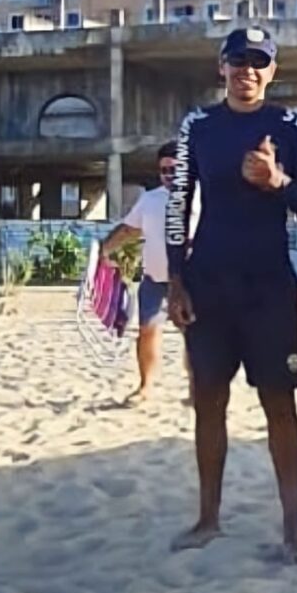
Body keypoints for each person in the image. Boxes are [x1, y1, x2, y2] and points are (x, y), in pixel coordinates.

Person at [165, 26, 297, 560]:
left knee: (279, 403)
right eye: (239, 61)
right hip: (208, 283)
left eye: (259, 62)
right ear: (222, 67)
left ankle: (294, 527)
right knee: (209, 403)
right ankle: (208, 518)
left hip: (269, 288)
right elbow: (177, 204)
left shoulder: (290, 125)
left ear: (272, 72)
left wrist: (276, 181)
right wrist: (175, 280)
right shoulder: (199, 126)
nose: (247, 71)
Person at [100, 140, 193, 405]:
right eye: (164, 170)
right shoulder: (150, 199)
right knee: (147, 332)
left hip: (191, 283)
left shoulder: (202, 197)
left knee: (195, 338)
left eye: (174, 170)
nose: (169, 176)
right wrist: (103, 250)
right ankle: (146, 386)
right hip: (153, 280)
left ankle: (195, 390)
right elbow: (129, 230)